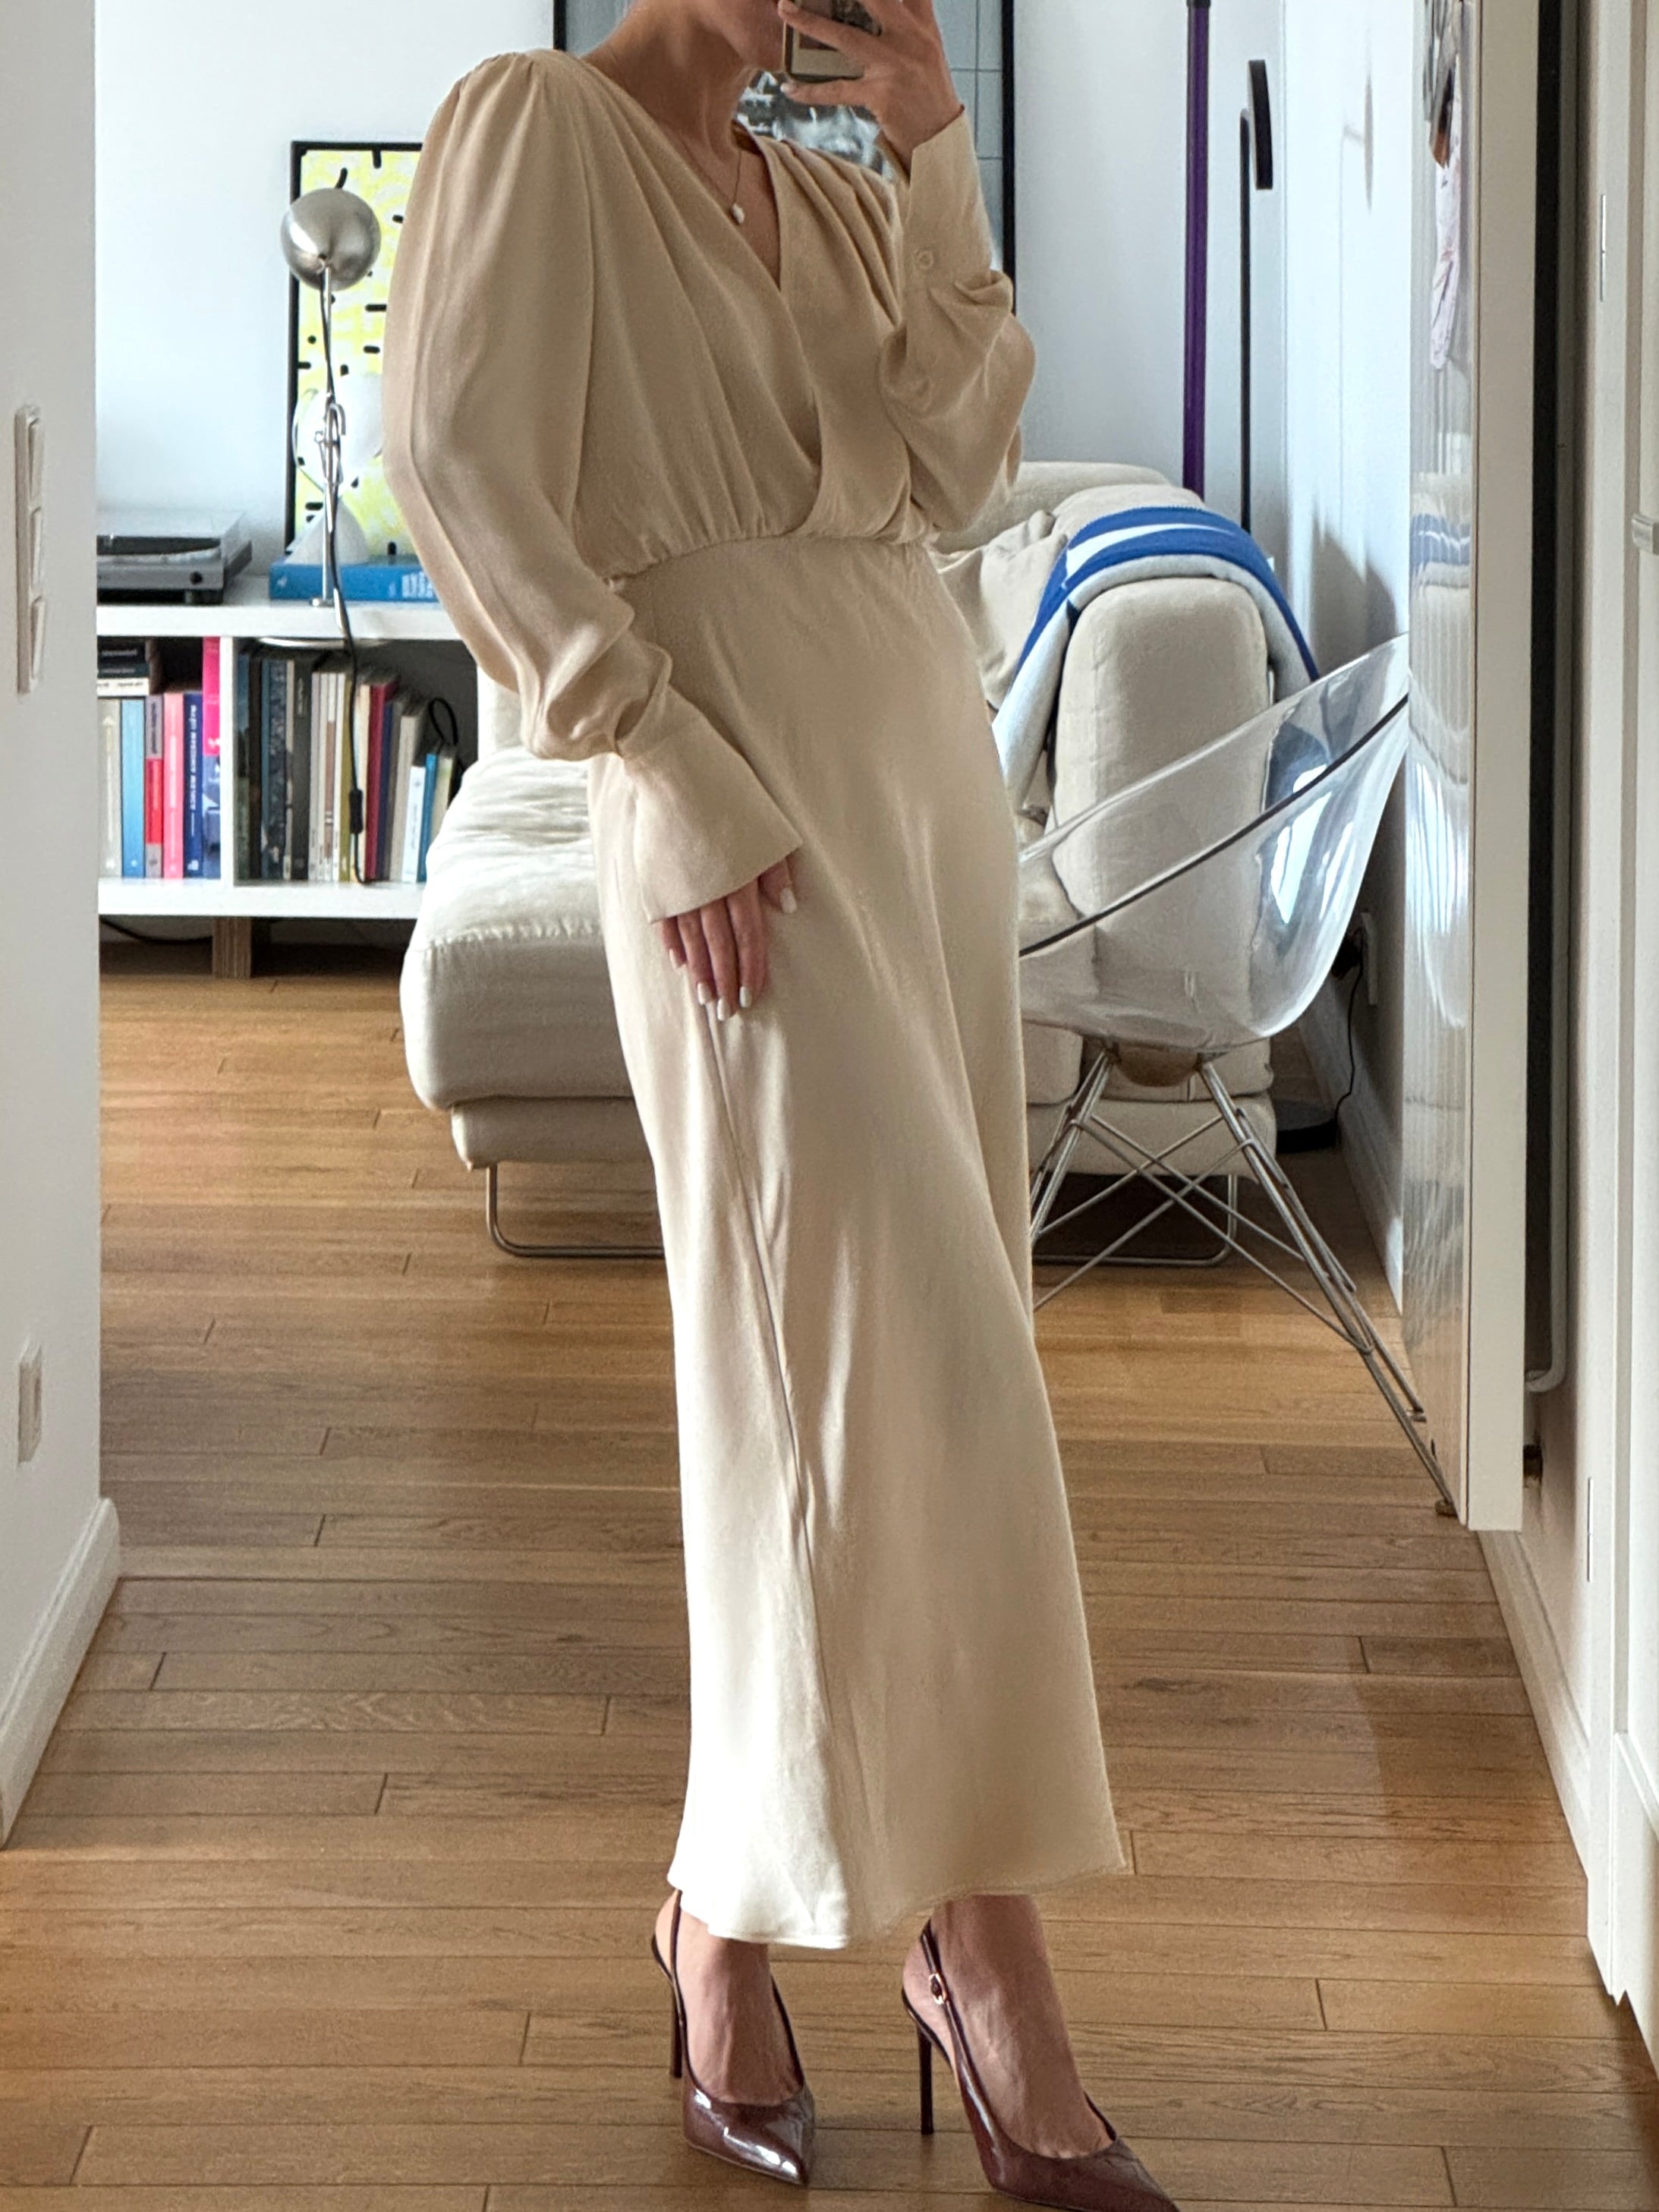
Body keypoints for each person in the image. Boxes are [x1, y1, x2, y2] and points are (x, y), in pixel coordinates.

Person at [381, 6, 1182, 2206]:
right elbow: (454, 468)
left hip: (914, 795)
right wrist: (657, 761)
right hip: (731, 807)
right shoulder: (538, 127)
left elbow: (950, 474)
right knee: (833, 1378)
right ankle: (980, 1959)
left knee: (934, 1369)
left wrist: (932, 149)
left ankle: (720, 1920)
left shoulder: (827, 188)